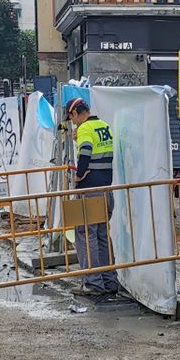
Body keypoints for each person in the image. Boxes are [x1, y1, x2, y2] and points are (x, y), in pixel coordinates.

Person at [65, 97, 121, 295]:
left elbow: (86, 152)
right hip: (106, 188)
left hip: (89, 190)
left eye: (71, 119)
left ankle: (93, 283)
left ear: (75, 113)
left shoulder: (85, 129)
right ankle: (109, 280)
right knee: (102, 234)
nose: (73, 123)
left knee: (86, 235)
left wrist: (79, 174)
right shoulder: (104, 126)